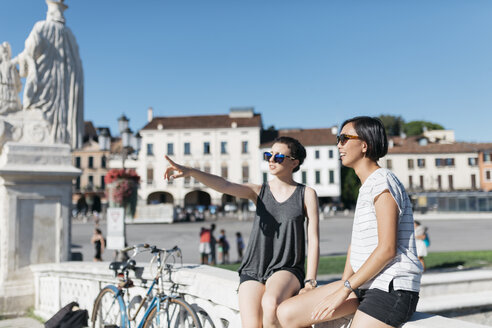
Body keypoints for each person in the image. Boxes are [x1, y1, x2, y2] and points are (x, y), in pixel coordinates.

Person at [277, 116, 423, 328]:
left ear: (365, 145)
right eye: (339, 139)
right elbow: (357, 243)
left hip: (392, 288)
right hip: (364, 284)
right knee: (287, 313)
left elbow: (387, 249)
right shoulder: (366, 186)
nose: (338, 145)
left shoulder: (383, 181)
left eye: (344, 138)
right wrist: (343, 285)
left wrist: (344, 289)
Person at [164, 136, 320, 328]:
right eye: (268, 155)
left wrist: (310, 281)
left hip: (286, 267)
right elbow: (224, 185)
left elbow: (313, 240)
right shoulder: (258, 191)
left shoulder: (306, 194)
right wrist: (191, 172)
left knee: (270, 304)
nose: (271, 160)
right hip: (253, 267)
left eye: (278, 157)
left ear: (294, 162)